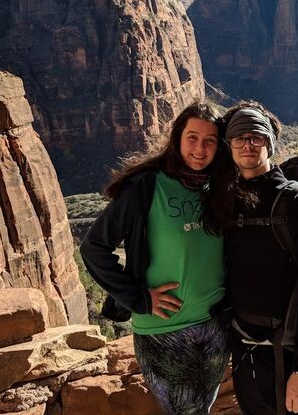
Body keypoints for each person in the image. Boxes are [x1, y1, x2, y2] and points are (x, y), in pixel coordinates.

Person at [80, 102, 228, 415]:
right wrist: (137, 298)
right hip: (164, 331)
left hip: (216, 325)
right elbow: (94, 247)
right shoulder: (147, 187)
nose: (199, 149)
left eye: (210, 141)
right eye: (192, 138)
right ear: (177, 138)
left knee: (202, 408)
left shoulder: (219, 187)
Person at [208, 101, 298, 415]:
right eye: (239, 138)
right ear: (229, 146)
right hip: (245, 353)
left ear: (270, 142)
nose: (248, 145)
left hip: (291, 357)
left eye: (256, 137)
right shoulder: (228, 202)